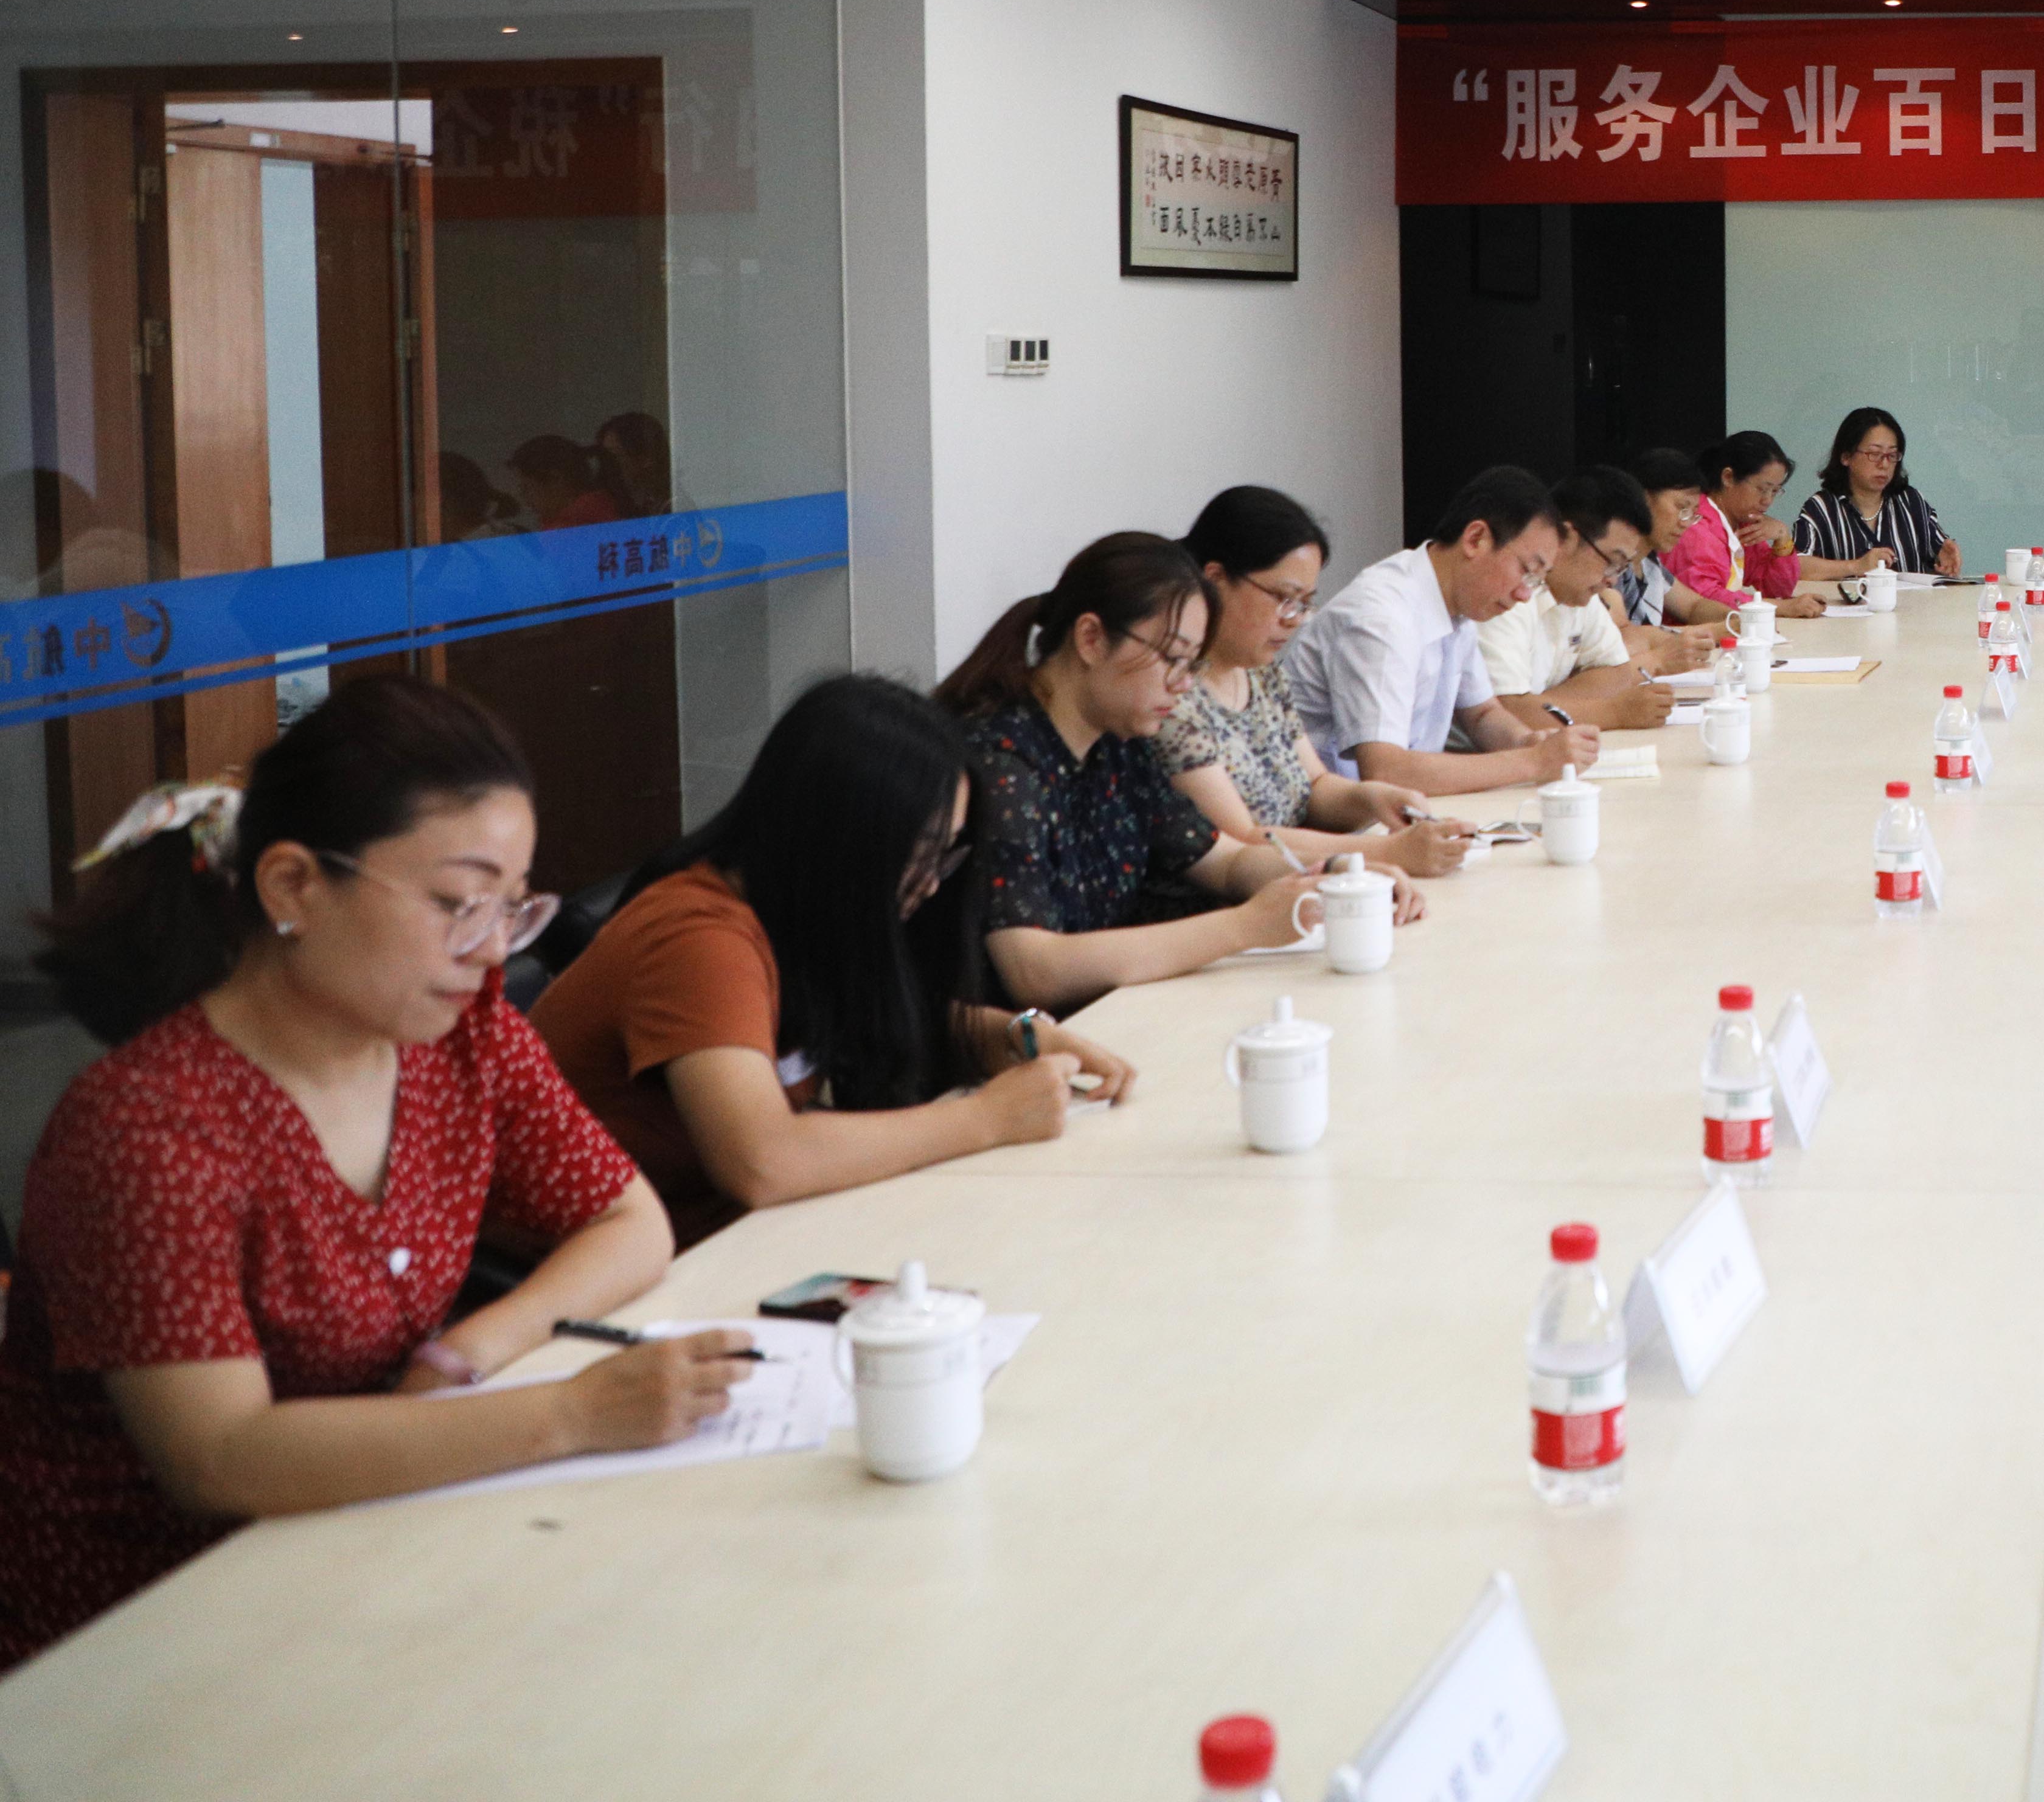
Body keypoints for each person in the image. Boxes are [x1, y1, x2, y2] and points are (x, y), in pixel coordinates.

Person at [0, 682, 754, 1671]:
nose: (491, 949)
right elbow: (222, 1458)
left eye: (510, 907)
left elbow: (627, 1222)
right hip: (146, 1639)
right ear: (294, 888)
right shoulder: (147, 1132)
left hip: (376, 1547)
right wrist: (572, 1414)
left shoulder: (461, 1037)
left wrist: (464, 1354)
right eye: (455, 904)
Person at [530, 674, 1139, 1250]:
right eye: (921, 855)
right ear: (841, 839)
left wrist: (1013, 1035)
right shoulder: (698, 938)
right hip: (611, 1271)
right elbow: (764, 1161)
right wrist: (987, 1117)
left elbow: (876, 1023)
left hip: (728, 1239)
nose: (932, 885)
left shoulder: (798, 909)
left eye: (946, 855)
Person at [936, 533, 1326, 1014]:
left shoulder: (1116, 744)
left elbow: (1225, 861)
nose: (1183, 686)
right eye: (1173, 659)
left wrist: (1337, 878)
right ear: (1091, 639)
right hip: (1019, 1043)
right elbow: (1035, 971)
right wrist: (1245, 926)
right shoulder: (1003, 760)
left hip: (1108, 1016)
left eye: (1192, 665)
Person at [1163, 485, 1470, 890]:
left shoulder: (1262, 674)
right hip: (1237, 905)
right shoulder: (1172, 695)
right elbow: (1245, 841)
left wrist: (1374, 798)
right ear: (1216, 579)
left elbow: (1316, 786)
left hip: (1302, 890)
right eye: (1284, 598)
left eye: (1305, 603)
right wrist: (1389, 851)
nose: (1295, 619)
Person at [1279, 468, 1608, 792]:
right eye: (1527, 571)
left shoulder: (1458, 605)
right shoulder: (1381, 615)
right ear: (1476, 539)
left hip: (1393, 809)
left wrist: (1527, 742)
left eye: (1536, 581)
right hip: (1324, 814)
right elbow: (1386, 771)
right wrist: (1533, 762)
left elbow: (1482, 714)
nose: (1525, 595)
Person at [1478, 468, 1683, 732]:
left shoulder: (1580, 595)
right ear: (1568, 537)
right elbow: (1506, 714)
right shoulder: (1510, 592)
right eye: (1611, 562)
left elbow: (1618, 674)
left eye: (1621, 568)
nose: (1612, 580)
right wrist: (1615, 712)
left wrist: (1539, 706)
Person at [1667, 430, 1829, 620]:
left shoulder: (1744, 524)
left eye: (1775, 491)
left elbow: (1778, 590)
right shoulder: (1697, 526)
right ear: (1728, 478)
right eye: (1762, 489)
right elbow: (1706, 600)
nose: (1767, 501)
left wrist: (1782, 538)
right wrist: (1781, 607)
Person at [1790, 406, 1962, 581]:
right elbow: (1795, 566)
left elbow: (1939, 549)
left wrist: (1945, 556)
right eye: (1875, 454)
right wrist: (1856, 566)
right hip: (1848, 600)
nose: (1884, 464)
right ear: (1846, 457)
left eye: (1892, 455)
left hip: (1910, 600)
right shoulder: (1821, 508)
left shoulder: (1911, 502)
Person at [1620, 447, 1729, 634]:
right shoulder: (1611, 565)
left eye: (1693, 514)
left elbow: (1693, 607)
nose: (1685, 523)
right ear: (1643, 499)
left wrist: (1737, 619)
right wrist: (1715, 631)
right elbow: (1625, 637)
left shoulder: (1649, 562)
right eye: (1681, 508)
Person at [505, 434, 621, 531]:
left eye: (527, 487)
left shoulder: (570, 525)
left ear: (556, 480)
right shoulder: (604, 508)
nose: (522, 496)